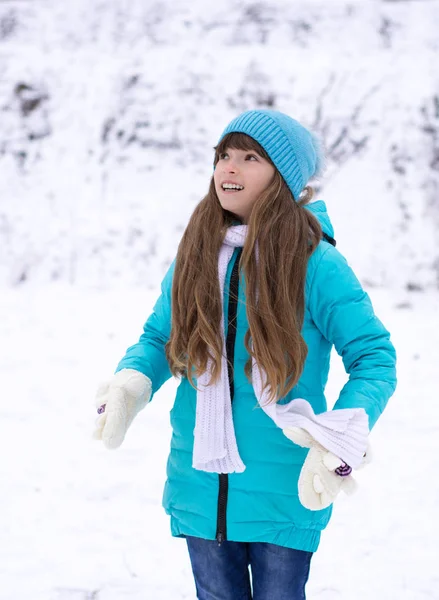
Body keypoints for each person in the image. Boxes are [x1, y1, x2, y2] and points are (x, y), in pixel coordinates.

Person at [93, 109, 397, 599]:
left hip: (285, 486)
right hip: (197, 482)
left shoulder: (315, 263)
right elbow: (160, 338)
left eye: (249, 157)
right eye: (223, 156)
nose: (229, 168)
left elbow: (374, 356)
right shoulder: (195, 254)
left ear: (283, 176)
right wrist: (132, 382)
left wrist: (340, 434)